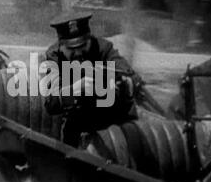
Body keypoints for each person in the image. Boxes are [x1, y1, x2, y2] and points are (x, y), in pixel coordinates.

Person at [44, 11, 140, 147]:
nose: (78, 53)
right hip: (79, 122)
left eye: (83, 46)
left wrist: (119, 84)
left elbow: (132, 77)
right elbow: (51, 104)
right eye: (71, 49)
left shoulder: (103, 48)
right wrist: (75, 89)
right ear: (61, 45)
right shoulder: (54, 56)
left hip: (114, 118)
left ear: (89, 38)